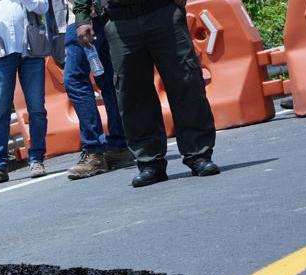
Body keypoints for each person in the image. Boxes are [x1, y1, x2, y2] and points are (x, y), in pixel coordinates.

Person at [74, 0, 219, 187]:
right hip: (120, 19)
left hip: (162, 11)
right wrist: (82, 18)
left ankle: (198, 155)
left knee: (185, 82)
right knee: (132, 94)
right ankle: (150, 162)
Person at [0, 0, 52, 187]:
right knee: (0, 112)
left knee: (37, 109)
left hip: (31, 50)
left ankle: (37, 159)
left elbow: (43, 7)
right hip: (1, 54)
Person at [55, 0, 134, 179]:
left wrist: (82, 18)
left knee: (75, 79)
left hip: (84, 15)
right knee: (107, 79)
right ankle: (119, 146)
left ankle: (94, 150)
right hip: (104, 12)